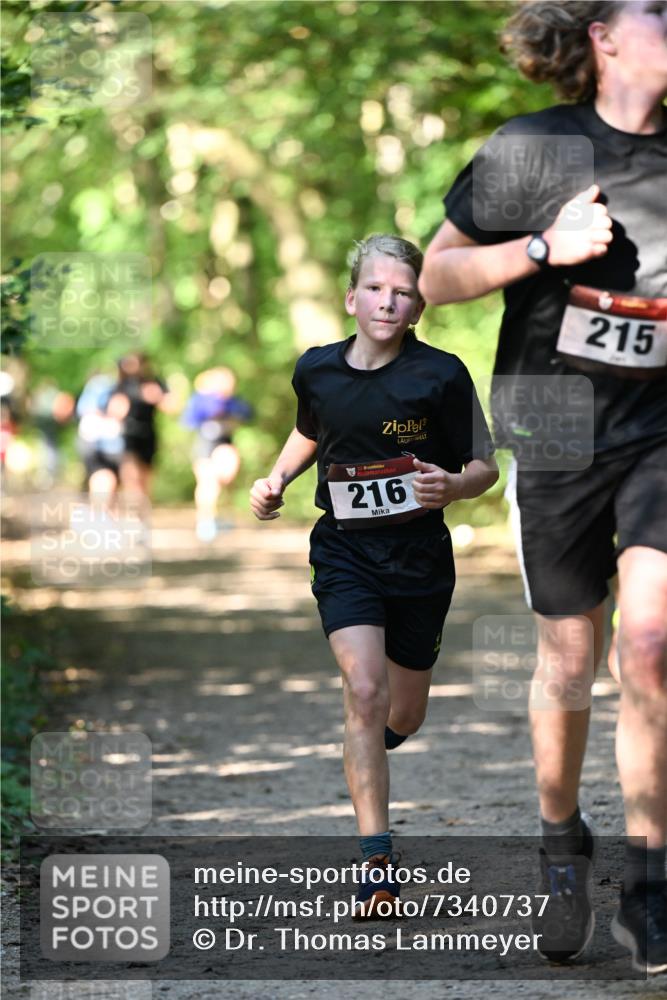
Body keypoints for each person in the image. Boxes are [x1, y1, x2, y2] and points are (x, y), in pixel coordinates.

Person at [420, 0, 667, 973]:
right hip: (555, 423)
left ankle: (651, 885)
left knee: (650, 643)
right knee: (570, 657)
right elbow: (433, 276)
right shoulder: (539, 147)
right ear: (603, 36)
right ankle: (562, 841)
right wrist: (537, 250)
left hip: (660, 428)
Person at [250, 234, 498, 916]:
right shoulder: (317, 370)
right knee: (362, 689)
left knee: (401, 714)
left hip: (419, 562)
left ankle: (371, 748)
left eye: (404, 292)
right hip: (344, 554)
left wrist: (452, 486)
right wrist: (275, 479)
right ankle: (377, 866)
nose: (389, 301)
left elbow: (484, 465)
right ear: (351, 298)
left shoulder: (440, 375)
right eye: (377, 288)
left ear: (417, 306)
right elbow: (310, 429)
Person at [182, 366, 253, 541]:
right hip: (205, 445)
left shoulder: (233, 402)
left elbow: (248, 413)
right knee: (207, 483)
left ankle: (222, 514)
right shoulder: (201, 400)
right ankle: (205, 520)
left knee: (226, 479)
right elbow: (189, 420)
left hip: (224, 444)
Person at [108, 353, 173, 506]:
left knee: (146, 477)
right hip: (128, 434)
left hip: (149, 434)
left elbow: (170, 405)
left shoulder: (154, 382)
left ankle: (142, 511)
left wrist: (157, 396)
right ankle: (134, 511)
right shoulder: (121, 384)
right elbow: (114, 410)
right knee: (131, 475)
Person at [75, 371, 123, 514]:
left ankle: (101, 516)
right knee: (104, 479)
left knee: (107, 482)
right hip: (99, 445)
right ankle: (99, 516)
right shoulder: (102, 386)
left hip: (103, 445)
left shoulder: (103, 386)